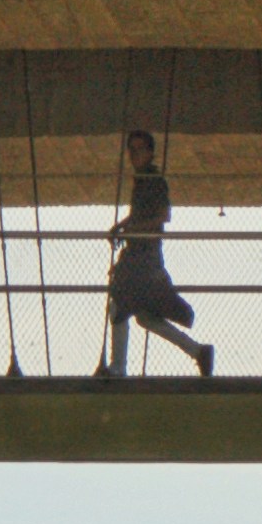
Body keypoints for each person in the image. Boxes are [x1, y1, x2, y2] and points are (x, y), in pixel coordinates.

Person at [104, 122, 215, 379]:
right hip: (143, 256)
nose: (134, 155)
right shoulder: (143, 180)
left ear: (150, 153)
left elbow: (163, 216)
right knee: (144, 316)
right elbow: (140, 214)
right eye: (132, 150)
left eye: (139, 150)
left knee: (120, 303)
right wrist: (122, 226)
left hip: (143, 258)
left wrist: (132, 230)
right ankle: (198, 351)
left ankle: (118, 367)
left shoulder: (153, 180)